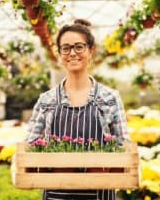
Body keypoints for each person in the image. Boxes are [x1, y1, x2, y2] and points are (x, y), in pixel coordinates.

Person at [26, 19, 130, 200]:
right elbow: (29, 149)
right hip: (55, 195)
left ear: (91, 51)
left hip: (100, 193)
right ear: (59, 55)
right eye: (65, 48)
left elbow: (124, 149)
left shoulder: (109, 99)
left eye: (79, 47)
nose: (72, 53)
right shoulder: (46, 100)